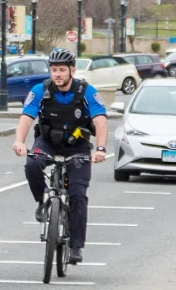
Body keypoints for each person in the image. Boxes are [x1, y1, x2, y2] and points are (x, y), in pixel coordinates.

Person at [11, 48, 108, 265]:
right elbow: (26, 117)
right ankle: (42, 201)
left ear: (72, 70)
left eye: (62, 70)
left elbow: (100, 120)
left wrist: (100, 149)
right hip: (48, 142)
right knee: (32, 165)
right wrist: (19, 141)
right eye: (54, 70)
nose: (57, 74)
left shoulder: (87, 91)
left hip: (77, 147)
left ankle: (75, 246)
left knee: (77, 194)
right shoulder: (40, 90)